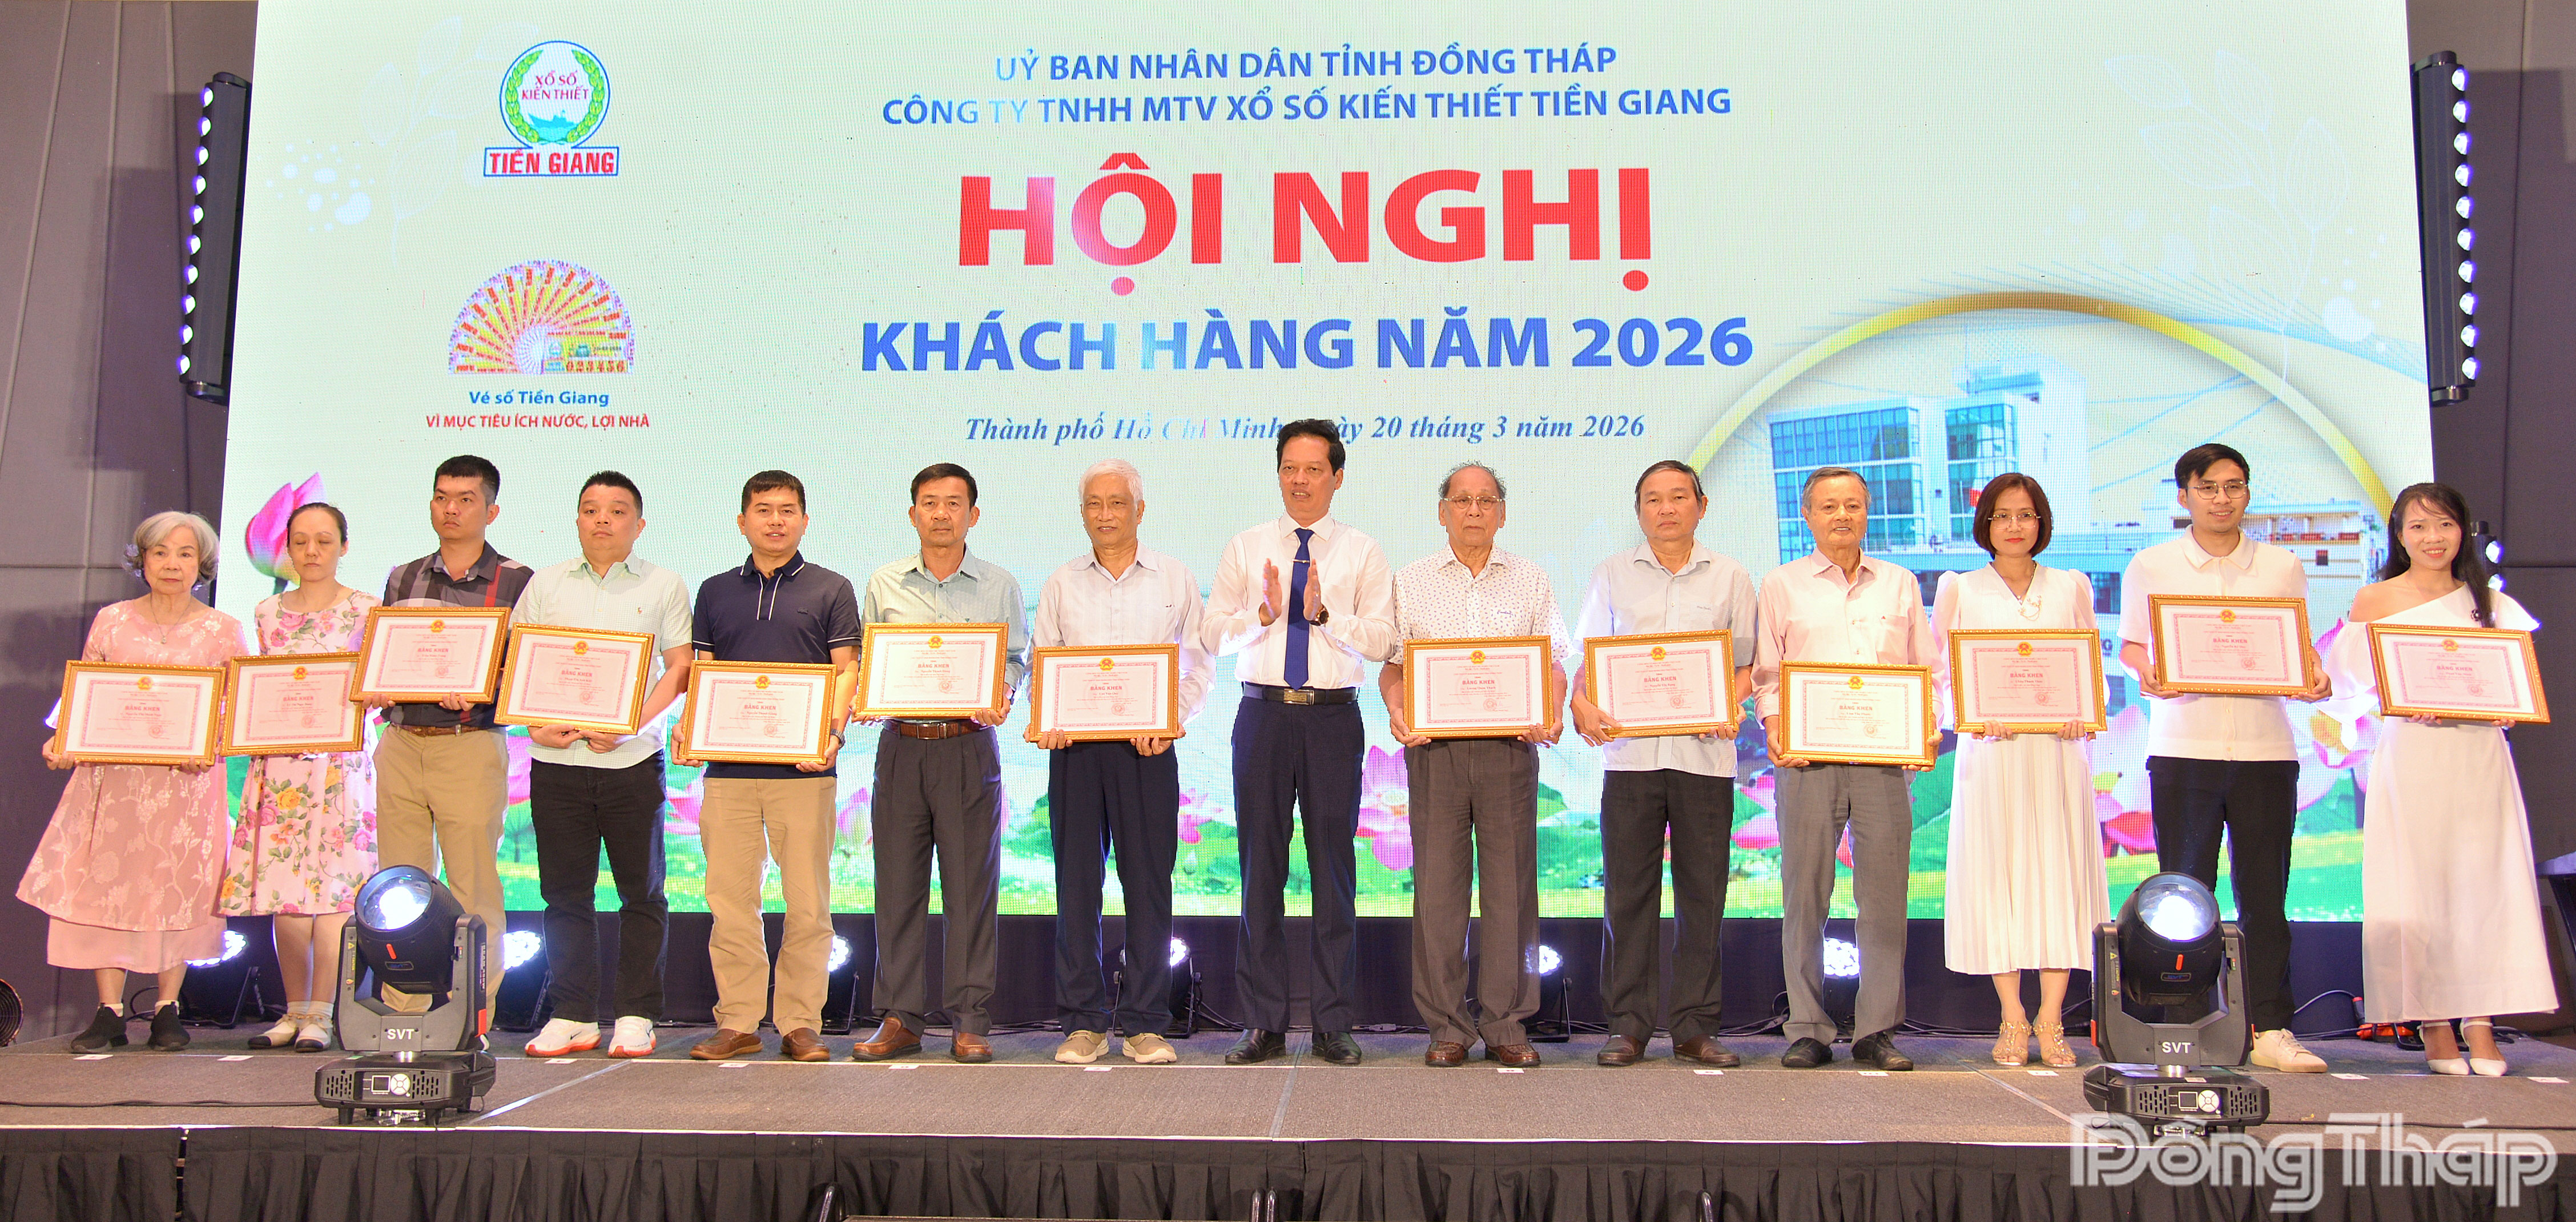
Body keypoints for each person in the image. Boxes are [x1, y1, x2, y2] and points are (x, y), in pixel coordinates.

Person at [2325, 482, 2557, 1075]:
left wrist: (2502, 707)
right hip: (2415, 756)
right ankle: (2432, 1022)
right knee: (2421, 885)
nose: (2434, 538)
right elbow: (2348, 689)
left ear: (2463, 531)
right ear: (2400, 536)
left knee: (2484, 883)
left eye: (2446, 525)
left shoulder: (2490, 604)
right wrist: (2401, 699)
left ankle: (2480, 1022)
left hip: (2479, 758)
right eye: (2420, 526)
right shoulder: (2377, 599)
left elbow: (2513, 687)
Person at [2118, 443, 2334, 1074]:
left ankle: (2270, 1027)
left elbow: (2298, 648)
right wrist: (2146, 671)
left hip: (2267, 748)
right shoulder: (2152, 564)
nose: (2222, 498)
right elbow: (2132, 647)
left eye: (2234, 486)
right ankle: (2182, 1027)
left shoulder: (2281, 566)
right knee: (2184, 897)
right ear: (2184, 495)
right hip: (2184, 748)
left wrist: (2316, 677)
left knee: (2266, 897)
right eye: (2208, 487)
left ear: (2248, 493)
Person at [1202, 419, 1397, 1067]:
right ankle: (1263, 1023)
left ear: (1337, 477)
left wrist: (1324, 616)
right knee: (1260, 870)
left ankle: (1333, 1023)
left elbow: (1384, 640)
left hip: (1332, 721)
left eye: (1314, 469)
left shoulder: (1363, 551)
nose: (1300, 480)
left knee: (1334, 872)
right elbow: (1212, 635)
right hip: (1262, 716)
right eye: (1290, 468)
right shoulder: (1246, 546)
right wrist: (1260, 616)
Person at [22, 512, 248, 1052]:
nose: (172, 564)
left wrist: (210, 748)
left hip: (188, 784)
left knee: (179, 886)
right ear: (142, 560)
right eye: (160, 552)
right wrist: (62, 741)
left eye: (186, 554)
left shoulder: (224, 630)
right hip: (115, 781)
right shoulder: (113, 621)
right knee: (107, 883)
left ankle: (168, 1009)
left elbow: (236, 707)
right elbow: (84, 695)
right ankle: (108, 1011)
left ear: (202, 564)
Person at [1569, 459, 1757, 1068]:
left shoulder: (1730, 576)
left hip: (1705, 758)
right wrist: (1580, 703)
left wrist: (1728, 701)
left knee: (1703, 896)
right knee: (1628, 897)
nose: (1666, 508)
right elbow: (1588, 659)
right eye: (1653, 499)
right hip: (1631, 760)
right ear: (1639, 510)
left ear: (1701, 506)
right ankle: (1627, 1027)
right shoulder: (1611, 574)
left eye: (1679, 497)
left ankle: (1696, 1027)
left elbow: (1749, 665)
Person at [1382, 463, 1569, 1068]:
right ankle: (1447, 1026)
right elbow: (1393, 665)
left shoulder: (1531, 579)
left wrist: (1551, 710)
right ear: (1443, 512)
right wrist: (1397, 709)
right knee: (1438, 892)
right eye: (1462, 500)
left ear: (1502, 513)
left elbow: (1554, 661)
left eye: (1486, 500)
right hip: (1434, 752)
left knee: (1511, 890)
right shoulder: (1410, 580)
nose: (1473, 510)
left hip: (1508, 751)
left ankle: (1507, 1021)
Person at [1753, 467, 1939, 1071]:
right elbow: (1769, 674)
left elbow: (1927, 671)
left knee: (1883, 898)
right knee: (1805, 896)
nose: (1842, 515)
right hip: (1807, 761)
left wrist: (1927, 726)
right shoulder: (1781, 584)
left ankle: (1877, 1030)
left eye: (1853, 505)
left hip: (1883, 763)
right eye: (1829, 506)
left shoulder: (1900, 582)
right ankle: (1808, 1027)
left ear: (1867, 511)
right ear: (1807, 516)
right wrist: (1776, 726)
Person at [1029, 459, 1210, 1066]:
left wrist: (1169, 719)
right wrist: (1047, 718)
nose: (1105, 514)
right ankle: (1083, 1023)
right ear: (1082, 512)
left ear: (1140, 510)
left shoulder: (1175, 578)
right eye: (1094, 504)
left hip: (1147, 752)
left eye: (1117, 503)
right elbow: (1045, 664)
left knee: (1149, 887)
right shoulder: (1061, 583)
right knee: (1076, 887)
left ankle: (1144, 1024)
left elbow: (1198, 665)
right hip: (1075, 754)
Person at [850, 463, 1029, 1065]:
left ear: (973, 515)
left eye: (954, 503)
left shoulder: (999, 584)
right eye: (930, 502)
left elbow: (1016, 659)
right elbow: (870, 658)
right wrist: (867, 695)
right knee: (897, 886)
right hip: (901, 745)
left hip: (967, 746)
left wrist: (1003, 692)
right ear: (913, 514)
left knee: (971, 889)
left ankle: (970, 1020)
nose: (941, 513)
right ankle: (900, 1018)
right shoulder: (884, 582)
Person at [514, 472, 696, 1060]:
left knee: (642, 893)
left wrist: (630, 725)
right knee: (564, 894)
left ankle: (637, 1014)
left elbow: (679, 668)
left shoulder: (664, 584)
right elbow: (520, 660)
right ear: (577, 519)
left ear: (638, 525)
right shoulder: (545, 584)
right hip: (556, 759)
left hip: (632, 760)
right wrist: (532, 725)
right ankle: (572, 1014)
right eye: (591, 509)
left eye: (616, 511)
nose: (602, 519)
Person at [1930, 473, 2107, 1069]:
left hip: (2057, 754)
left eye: (2026, 515)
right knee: (1997, 879)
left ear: (2041, 522)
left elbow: (2089, 659)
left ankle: (2052, 1018)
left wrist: (2085, 712)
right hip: (1992, 754)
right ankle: (2012, 1015)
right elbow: (1940, 672)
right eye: (2003, 515)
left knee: (2059, 876)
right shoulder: (1959, 587)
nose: (2014, 526)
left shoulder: (2070, 584)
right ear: (1985, 524)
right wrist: (1968, 715)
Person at [683, 471, 859, 1063]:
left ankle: (800, 1023)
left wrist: (832, 734)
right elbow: (704, 675)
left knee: (807, 904)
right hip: (728, 773)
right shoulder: (714, 591)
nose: (776, 520)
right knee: (731, 902)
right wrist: (690, 728)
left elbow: (846, 670)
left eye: (787, 510)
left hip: (805, 772)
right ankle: (737, 1022)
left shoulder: (832, 588)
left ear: (804, 521)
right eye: (763, 510)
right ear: (743, 521)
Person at [371, 455, 533, 1011]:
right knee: (400, 887)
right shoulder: (404, 576)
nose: (451, 509)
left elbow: (524, 669)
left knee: (473, 886)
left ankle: (472, 1013)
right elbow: (386, 655)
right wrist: (378, 684)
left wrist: (486, 689)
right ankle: (404, 1013)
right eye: (442, 497)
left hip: (469, 744)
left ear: (491, 510)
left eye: (466, 499)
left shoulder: (518, 580)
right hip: (401, 742)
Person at [216, 503, 379, 1052]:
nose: (312, 552)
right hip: (280, 765)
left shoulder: (366, 610)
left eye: (324, 541)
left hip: (340, 766)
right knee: (284, 892)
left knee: (333, 895)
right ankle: (293, 1012)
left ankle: (322, 1015)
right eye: (301, 541)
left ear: (344, 547)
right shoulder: (267, 612)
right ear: (287, 548)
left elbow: (375, 685)